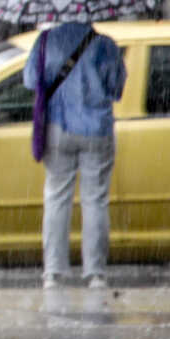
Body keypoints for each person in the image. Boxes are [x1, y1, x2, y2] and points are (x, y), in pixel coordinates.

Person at [26, 19, 127, 289]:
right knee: (95, 199)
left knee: (57, 197)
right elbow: (116, 89)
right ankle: (95, 273)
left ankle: (53, 273)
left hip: (57, 127)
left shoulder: (46, 41)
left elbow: (30, 81)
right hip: (97, 129)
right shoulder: (105, 45)